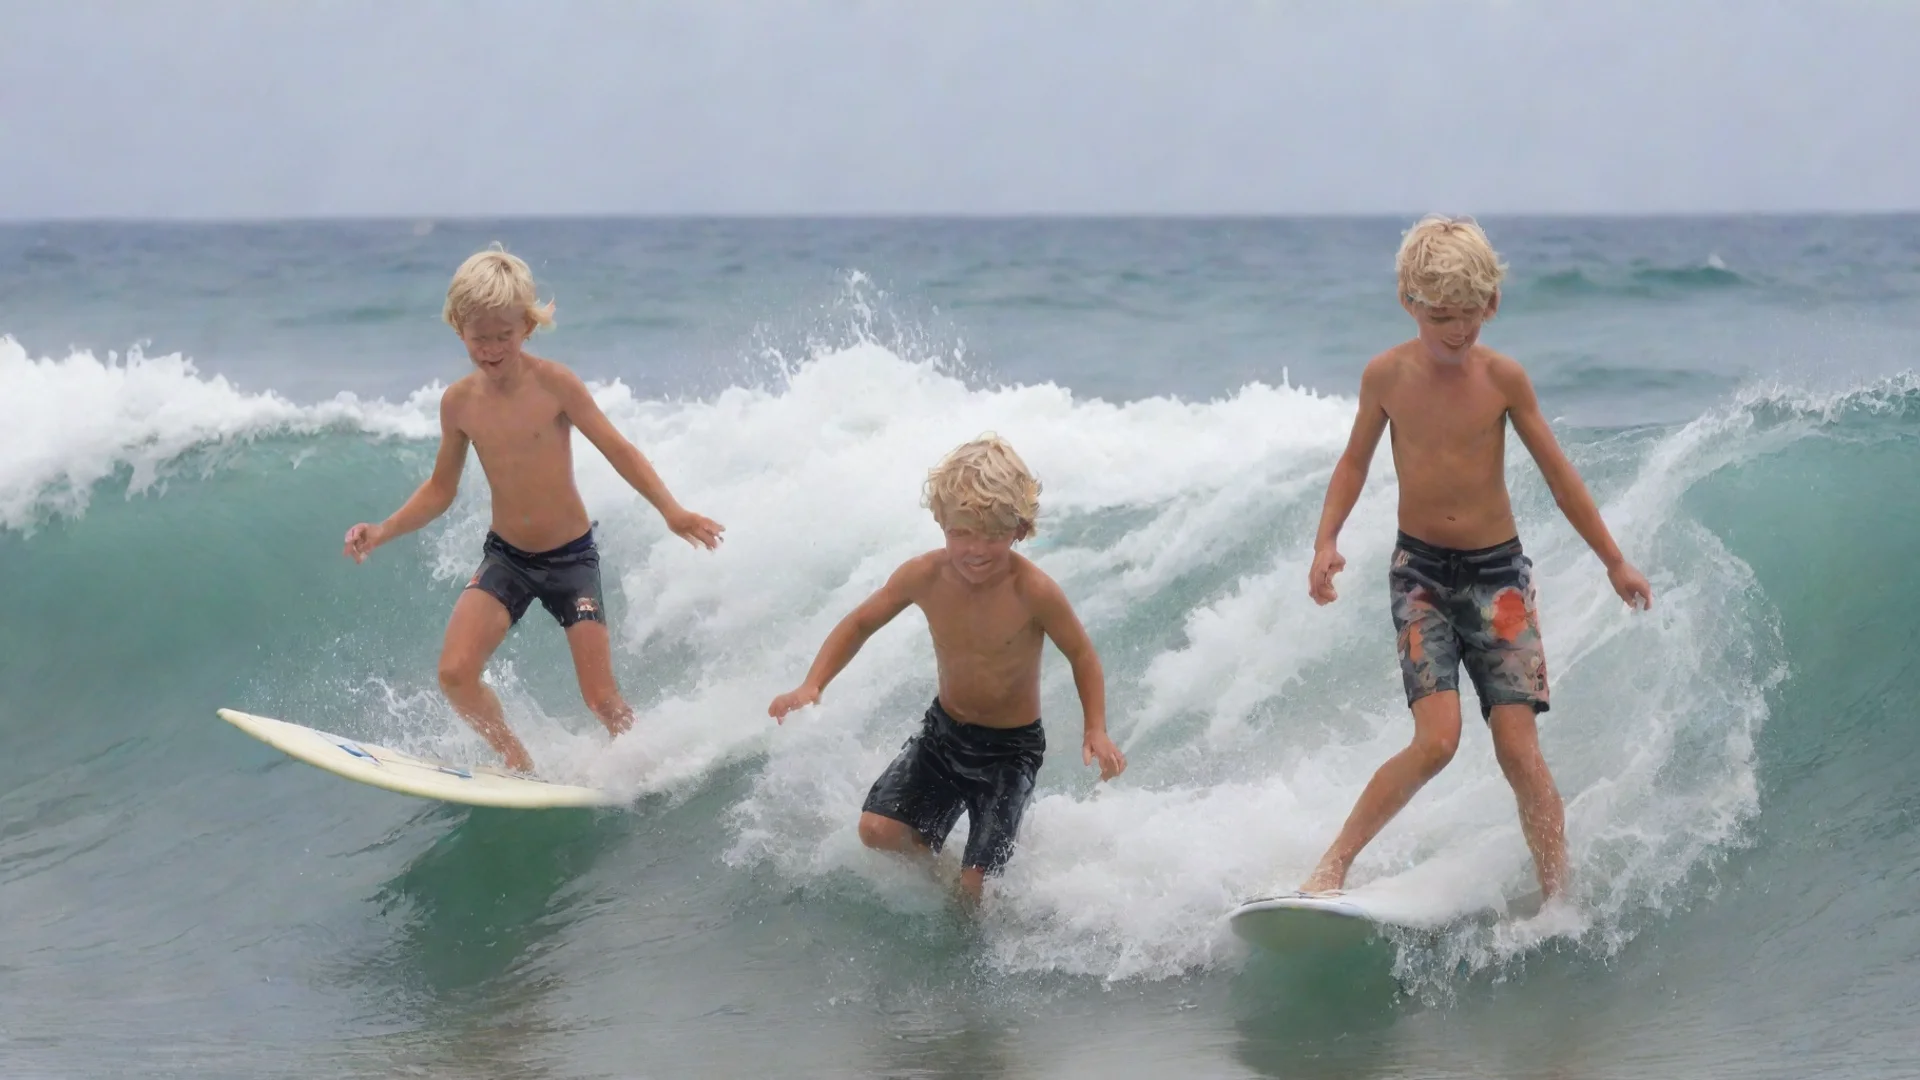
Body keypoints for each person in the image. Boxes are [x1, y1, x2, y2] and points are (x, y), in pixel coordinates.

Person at [1299, 215, 1653, 901]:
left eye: (1468, 317)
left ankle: (1557, 900)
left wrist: (1614, 560)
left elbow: (1558, 477)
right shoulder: (1386, 376)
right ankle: (1335, 863)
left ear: (1491, 304)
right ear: (1409, 303)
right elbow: (1352, 463)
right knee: (1437, 741)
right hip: (1421, 576)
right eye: (1440, 319)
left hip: (1500, 580)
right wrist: (1326, 541)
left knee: (1519, 750)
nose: (1456, 333)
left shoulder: (1504, 380)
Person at [343, 244, 723, 774]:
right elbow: (439, 489)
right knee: (455, 673)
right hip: (509, 560)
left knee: (601, 700)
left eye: (505, 335)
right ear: (459, 329)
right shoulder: (459, 403)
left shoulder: (556, 385)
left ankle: (651, 773)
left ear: (527, 326)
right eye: (481, 338)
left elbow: (618, 449)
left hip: (571, 562)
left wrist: (672, 511)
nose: (494, 349)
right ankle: (515, 761)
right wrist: (381, 530)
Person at [768, 435, 1126, 906]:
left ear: (1019, 528)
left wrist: (1095, 728)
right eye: (961, 533)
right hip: (944, 734)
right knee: (876, 830)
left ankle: (972, 900)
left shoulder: (1033, 591)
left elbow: (1082, 655)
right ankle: (943, 878)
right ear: (940, 522)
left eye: (992, 534)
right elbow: (860, 623)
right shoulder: (923, 575)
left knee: (977, 888)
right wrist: (812, 684)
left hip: (1009, 753)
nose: (974, 549)